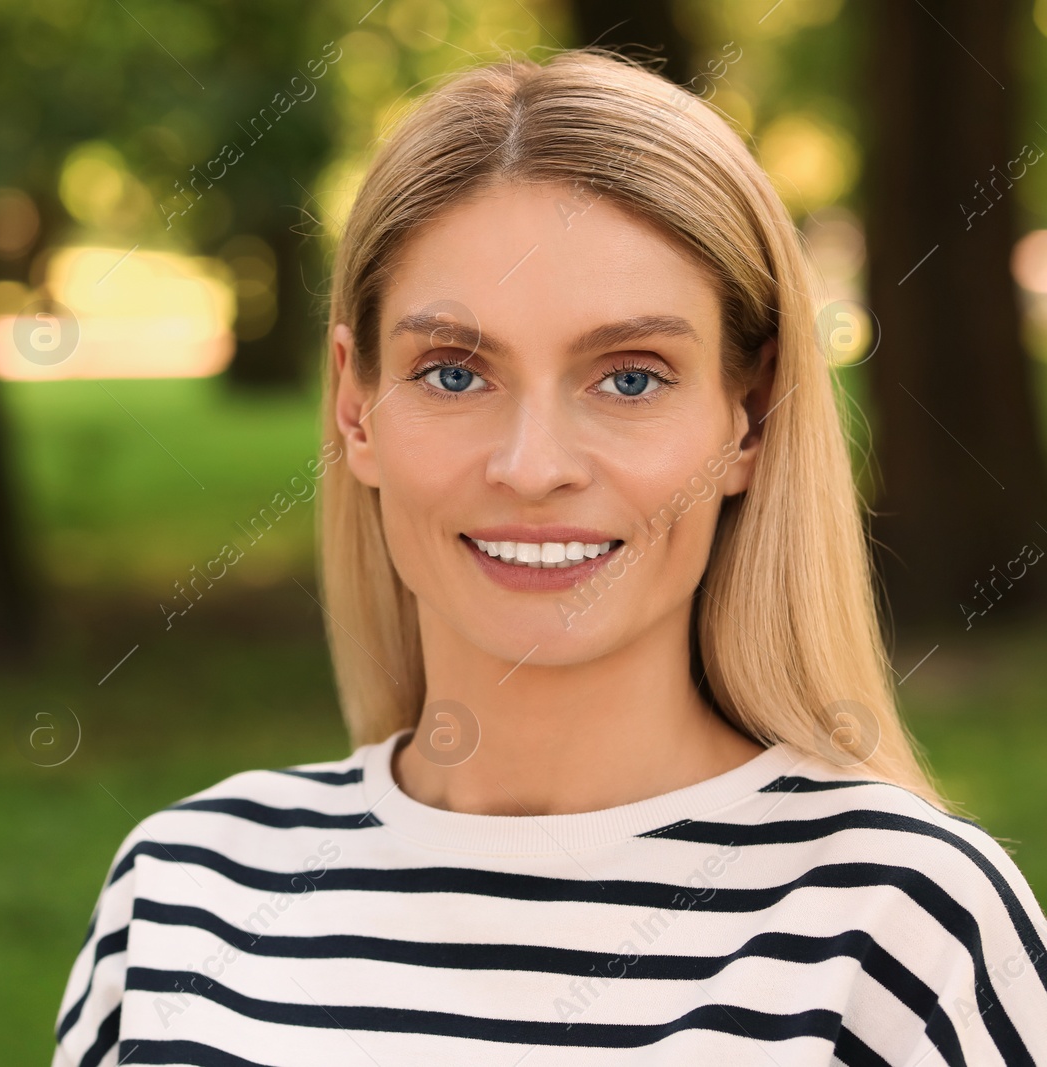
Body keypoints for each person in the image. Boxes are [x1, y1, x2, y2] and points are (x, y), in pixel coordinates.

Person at [52, 48, 1047, 1065]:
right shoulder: (184, 893)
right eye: (451, 371)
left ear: (747, 417)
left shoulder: (900, 928)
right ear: (356, 407)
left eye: (629, 378)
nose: (533, 467)